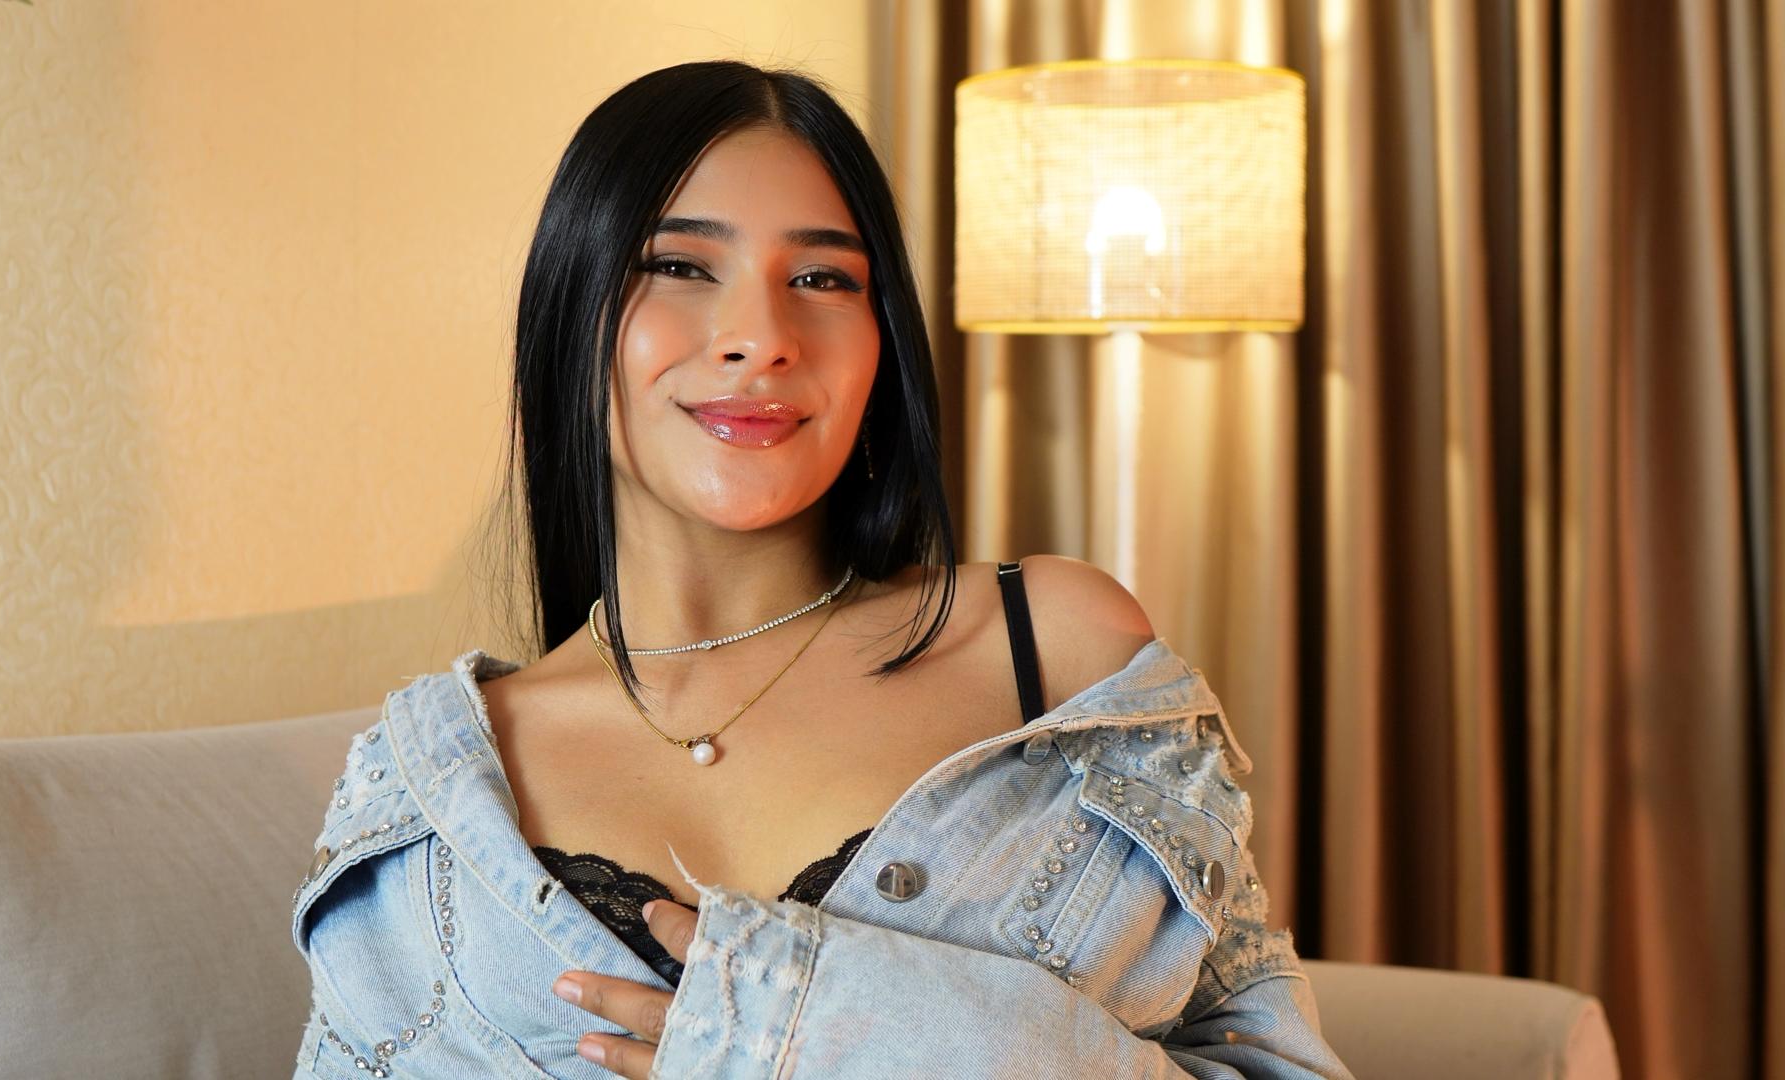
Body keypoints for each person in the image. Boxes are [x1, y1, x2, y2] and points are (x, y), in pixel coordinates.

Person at [289, 59, 1354, 1079]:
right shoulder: (429, 790)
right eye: (679, 266)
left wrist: (834, 1038)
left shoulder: (1055, 650)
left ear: (880, 344)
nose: (761, 337)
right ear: (573, 313)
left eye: (820, 278)